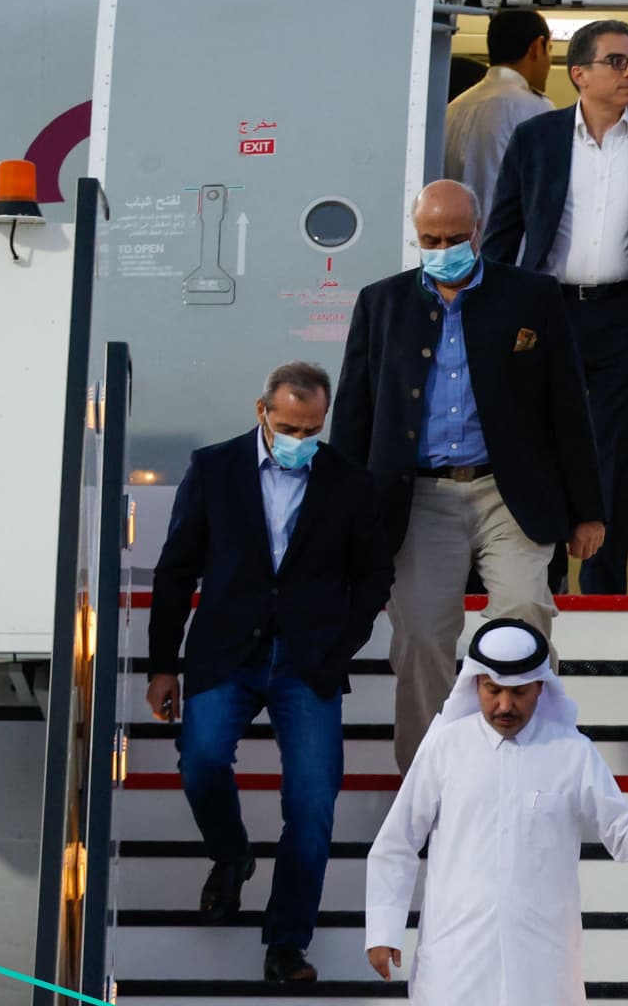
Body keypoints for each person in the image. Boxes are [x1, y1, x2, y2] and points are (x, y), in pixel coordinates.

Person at [333, 179, 603, 772]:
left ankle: (530, 767)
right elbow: (354, 414)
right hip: (418, 498)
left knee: (524, 615)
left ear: (478, 232)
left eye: (455, 237)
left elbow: (568, 405)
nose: (443, 247)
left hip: (509, 493)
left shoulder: (531, 297)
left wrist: (588, 508)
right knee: (423, 640)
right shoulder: (382, 303)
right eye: (430, 238)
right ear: (416, 235)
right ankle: (428, 782)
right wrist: (342, 517)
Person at [146, 361, 395, 983]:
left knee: (312, 807)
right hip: (226, 650)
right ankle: (232, 858)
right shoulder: (214, 468)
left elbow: (373, 574)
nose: (299, 439)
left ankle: (287, 944)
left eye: (311, 429)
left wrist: (342, 645)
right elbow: (177, 569)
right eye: (289, 426)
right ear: (262, 411)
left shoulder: (348, 481)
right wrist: (161, 665)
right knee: (201, 761)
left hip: (308, 662)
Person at [483, 19, 628, 595]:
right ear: (580, 74)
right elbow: (503, 231)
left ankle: (604, 589)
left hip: (626, 319)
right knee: (544, 448)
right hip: (548, 315)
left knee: (613, 456)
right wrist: (489, 311)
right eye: (617, 62)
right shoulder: (536, 139)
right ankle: (545, 583)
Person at [362, 618, 628, 1004]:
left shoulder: (570, 750)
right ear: (476, 683)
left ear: (541, 687)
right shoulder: (445, 746)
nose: (505, 706)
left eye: (519, 692)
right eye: (493, 691)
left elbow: (621, 826)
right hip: (455, 955)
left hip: (542, 958)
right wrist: (383, 929)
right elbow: (398, 842)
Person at [444, 9, 554, 220]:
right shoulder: (535, 110)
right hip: (509, 250)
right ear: (536, 47)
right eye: (549, 49)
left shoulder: (454, 109)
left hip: (459, 247)